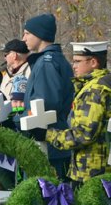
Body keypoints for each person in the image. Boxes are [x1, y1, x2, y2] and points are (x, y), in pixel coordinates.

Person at [45, 42, 111, 183]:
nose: (73, 66)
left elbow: (83, 134)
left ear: (93, 62)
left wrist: (48, 134)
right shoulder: (102, 84)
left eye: (77, 61)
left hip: (91, 173)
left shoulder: (94, 91)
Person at [22, 13, 74, 177]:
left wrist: (20, 120)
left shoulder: (46, 63)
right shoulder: (52, 60)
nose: (23, 38)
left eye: (27, 33)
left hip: (48, 143)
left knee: (48, 197)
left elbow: (45, 105)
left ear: (40, 35)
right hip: (53, 142)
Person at [0, 39, 31, 110]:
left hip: (20, 116)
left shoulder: (31, 71)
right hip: (4, 116)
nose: (5, 58)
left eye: (6, 54)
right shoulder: (4, 72)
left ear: (14, 55)